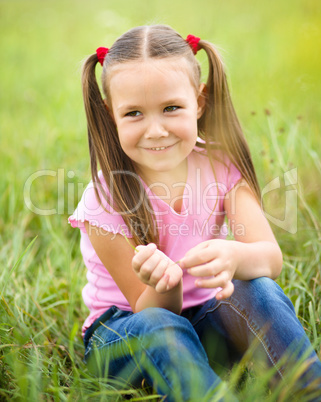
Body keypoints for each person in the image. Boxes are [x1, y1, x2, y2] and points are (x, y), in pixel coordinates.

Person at [69, 25, 321, 401]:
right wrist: (162, 283)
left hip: (203, 315)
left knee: (260, 289)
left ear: (199, 102)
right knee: (161, 325)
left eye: (171, 108)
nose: (156, 130)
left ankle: (308, 390)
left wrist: (236, 255)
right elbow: (150, 309)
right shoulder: (103, 198)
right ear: (111, 115)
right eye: (134, 113)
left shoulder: (221, 165)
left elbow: (270, 259)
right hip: (126, 333)